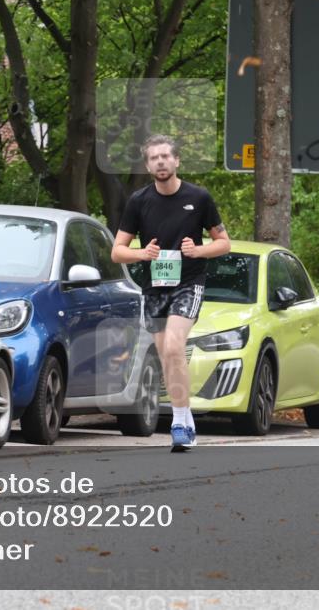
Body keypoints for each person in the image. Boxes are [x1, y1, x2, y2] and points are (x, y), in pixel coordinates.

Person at [111, 135, 231, 451]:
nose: (161, 162)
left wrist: (199, 250)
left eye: (166, 156)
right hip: (155, 287)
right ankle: (186, 417)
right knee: (167, 356)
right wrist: (142, 254)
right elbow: (117, 251)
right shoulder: (139, 201)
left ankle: (178, 423)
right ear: (148, 164)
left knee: (176, 347)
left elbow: (224, 243)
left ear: (176, 161)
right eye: (154, 158)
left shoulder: (199, 198)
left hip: (189, 283)